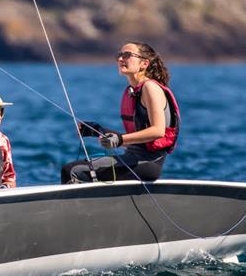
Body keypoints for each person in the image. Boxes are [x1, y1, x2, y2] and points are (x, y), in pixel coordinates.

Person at [61, 42, 180, 184]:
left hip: (147, 163)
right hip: (133, 158)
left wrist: (120, 140)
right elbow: (136, 141)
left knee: (73, 171)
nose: (120, 59)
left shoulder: (150, 87)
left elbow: (158, 131)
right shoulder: (132, 91)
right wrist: (98, 131)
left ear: (144, 64)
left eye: (127, 55)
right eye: (119, 55)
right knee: (74, 169)